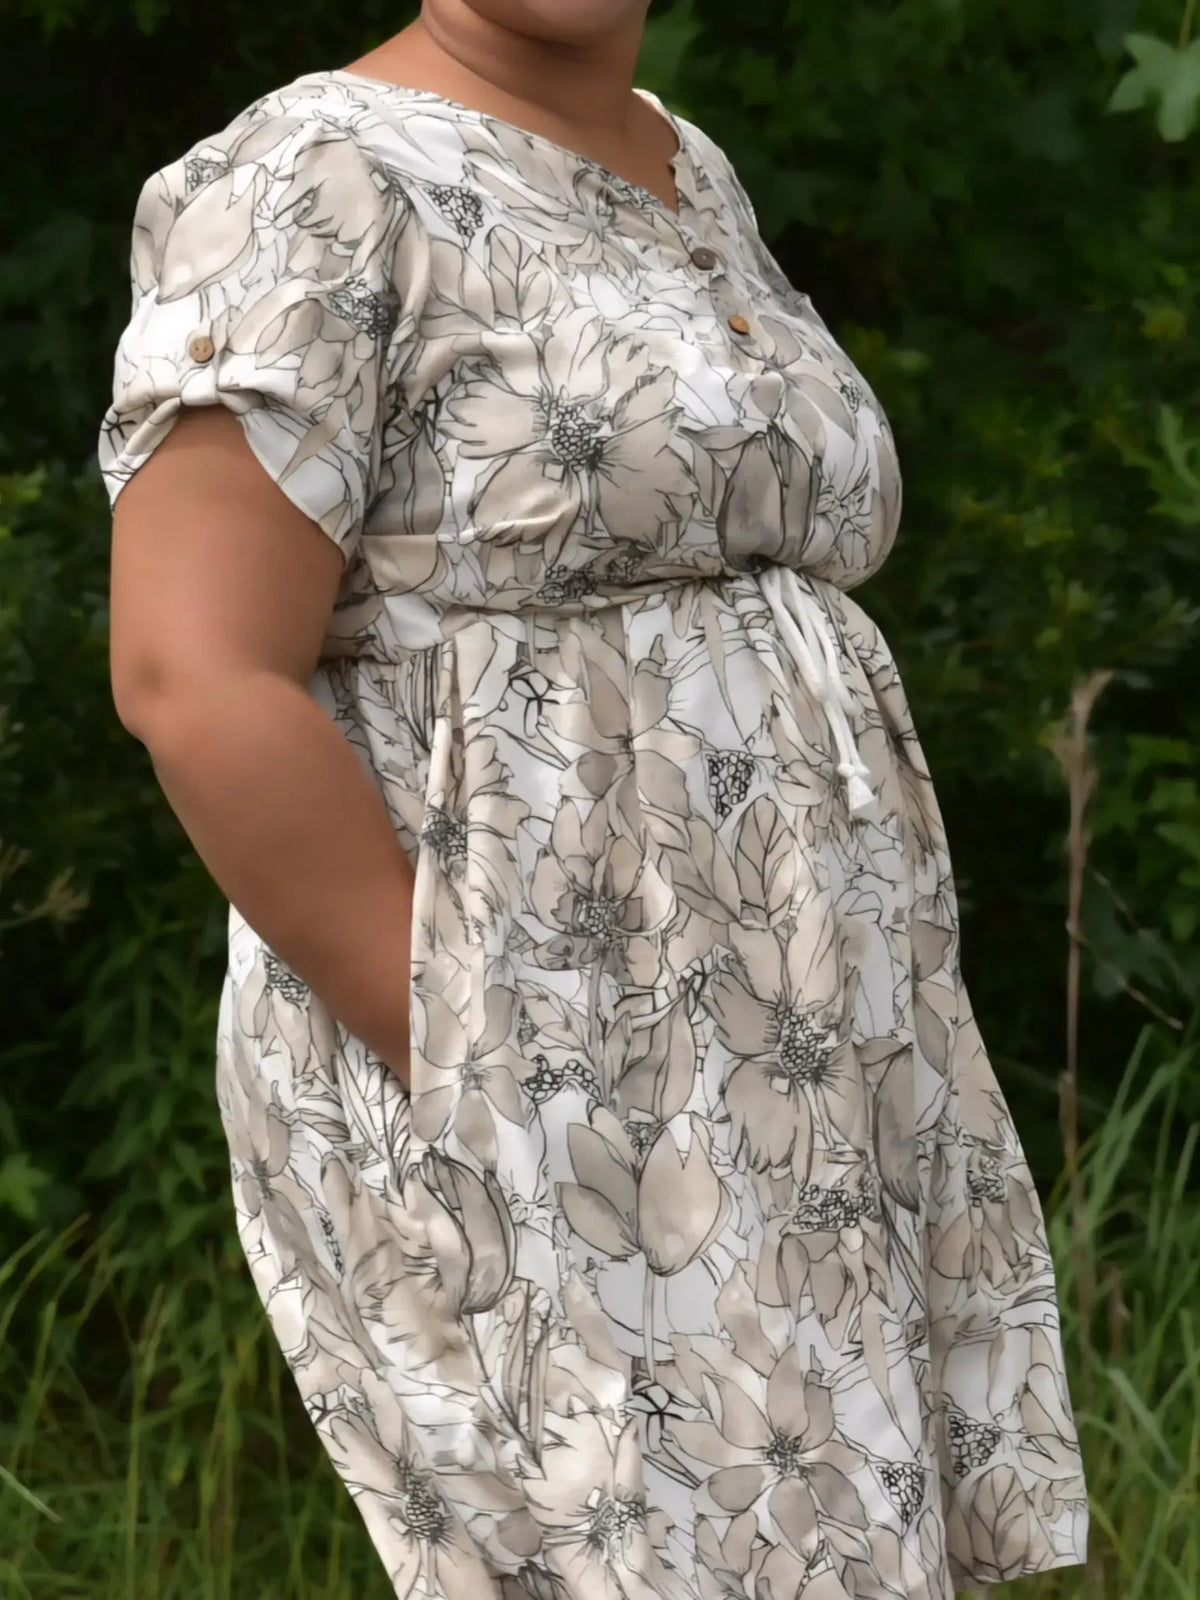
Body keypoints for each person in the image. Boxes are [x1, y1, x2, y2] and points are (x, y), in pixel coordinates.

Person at [99, 2, 1090, 1595]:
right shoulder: (310, 176)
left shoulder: (684, 162)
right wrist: (463, 1042)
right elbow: (192, 673)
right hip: (548, 1049)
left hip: (796, 1048)